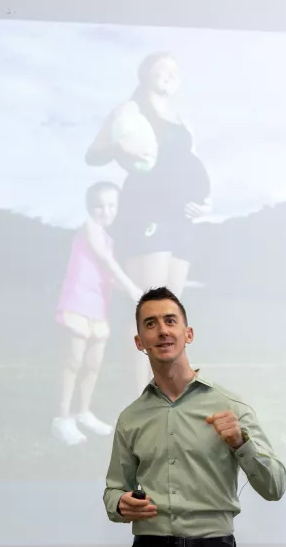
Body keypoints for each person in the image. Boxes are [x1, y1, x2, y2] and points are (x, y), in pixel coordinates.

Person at [102, 287, 286, 547]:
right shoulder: (131, 418)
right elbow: (114, 490)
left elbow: (275, 486)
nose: (162, 330)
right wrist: (119, 503)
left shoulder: (230, 407)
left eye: (170, 321)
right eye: (150, 324)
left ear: (187, 334)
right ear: (139, 341)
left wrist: (241, 444)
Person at [85, 52, 213, 394]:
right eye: (162, 66)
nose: (170, 72)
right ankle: (139, 398)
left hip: (180, 222)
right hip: (147, 211)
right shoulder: (130, 111)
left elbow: (190, 164)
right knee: (148, 312)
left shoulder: (182, 120)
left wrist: (203, 202)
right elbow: (94, 153)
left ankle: (167, 394)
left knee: (171, 314)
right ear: (145, 75)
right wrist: (118, 144)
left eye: (176, 68)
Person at [53, 182, 144, 445]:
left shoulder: (108, 239)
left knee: (93, 365)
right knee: (74, 362)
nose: (106, 211)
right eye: (99, 206)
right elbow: (107, 262)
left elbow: (107, 274)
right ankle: (61, 418)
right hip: (77, 304)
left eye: (111, 205)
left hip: (98, 309)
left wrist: (140, 292)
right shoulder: (90, 229)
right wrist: (132, 288)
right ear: (89, 208)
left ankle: (83, 413)